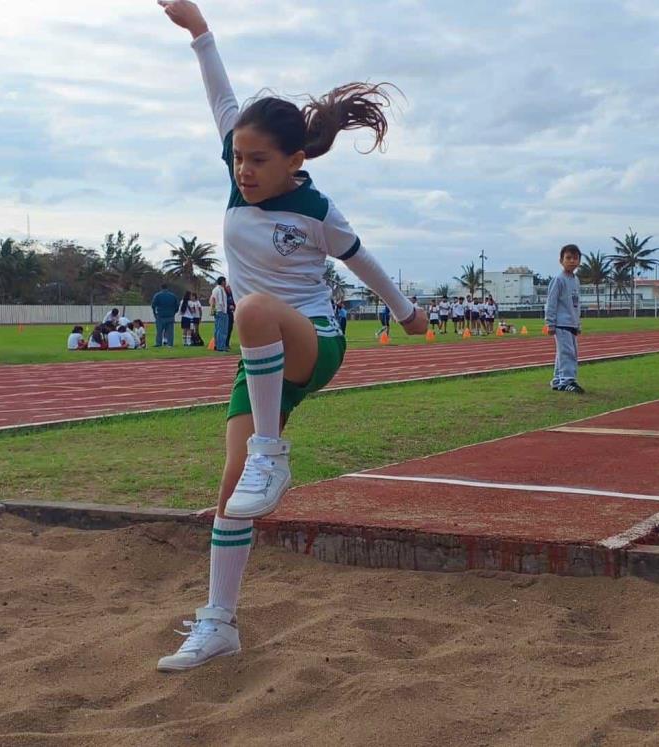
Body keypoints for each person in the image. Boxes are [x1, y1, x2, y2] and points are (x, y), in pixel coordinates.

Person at [156, 0, 427, 672]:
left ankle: (273, 452)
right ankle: (219, 622)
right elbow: (219, 93)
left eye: (257, 161)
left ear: (294, 160)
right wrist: (199, 30)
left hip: (314, 340)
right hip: (261, 360)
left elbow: (360, 258)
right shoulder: (238, 167)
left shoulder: (316, 210)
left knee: (251, 311)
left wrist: (405, 311)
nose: (243, 171)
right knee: (229, 491)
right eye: (237, 159)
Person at [544, 244, 584, 393]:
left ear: (579, 261)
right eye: (568, 258)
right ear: (561, 260)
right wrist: (550, 323)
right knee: (567, 353)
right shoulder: (558, 280)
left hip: (571, 323)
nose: (572, 261)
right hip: (561, 324)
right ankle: (568, 381)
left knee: (564, 352)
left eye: (575, 258)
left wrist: (577, 323)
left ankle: (557, 380)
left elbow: (576, 304)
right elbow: (551, 302)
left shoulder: (575, 280)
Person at [210, 277, 231, 351]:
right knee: (223, 330)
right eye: (225, 281)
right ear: (222, 282)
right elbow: (221, 302)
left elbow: (212, 299)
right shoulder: (221, 290)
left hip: (217, 311)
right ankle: (221, 346)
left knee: (217, 329)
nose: (225, 283)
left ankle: (216, 345)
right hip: (222, 311)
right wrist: (224, 311)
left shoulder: (214, 289)